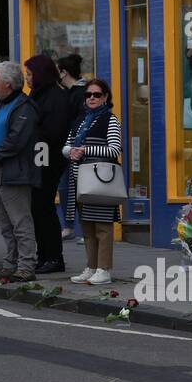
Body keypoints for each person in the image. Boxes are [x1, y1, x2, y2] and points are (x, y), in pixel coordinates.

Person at [0, 61, 40, 281]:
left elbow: (17, 140)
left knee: (20, 222)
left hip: (15, 173)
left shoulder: (24, 107)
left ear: (7, 83)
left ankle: (26, 267)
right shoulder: (2, 105)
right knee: (5, 224)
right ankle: (10, 263)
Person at [64, 78, 123, 286]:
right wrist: (70, 151)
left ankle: (104, 269)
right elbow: (67, 145)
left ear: (105, 97)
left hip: (101, 179)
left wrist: (86, 150)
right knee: (87, 227)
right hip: (81, 178)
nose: (91, 98)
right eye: (88, 95)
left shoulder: (111, 120)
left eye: (96, 95)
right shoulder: (80, 120)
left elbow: (115, 149)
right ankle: (91, 267)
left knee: (103, 227)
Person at [25, 54, 72, 274]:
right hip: (38, 158)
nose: (27, 78)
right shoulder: (39, 94)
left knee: (44, 208)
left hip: (48, 159)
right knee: (38, 209)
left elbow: (52, 133)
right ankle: (44, 255)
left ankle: (53, 256)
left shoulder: (54, 97)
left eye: (30, 74)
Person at [57, 53, 88, 240]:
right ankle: (70, 226)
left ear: (63, 73)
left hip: (76, 147)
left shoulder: (78, 94)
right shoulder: (71, 93)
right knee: (66, 187)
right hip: (69, 148)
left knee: (78, 188)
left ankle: (82, 228)